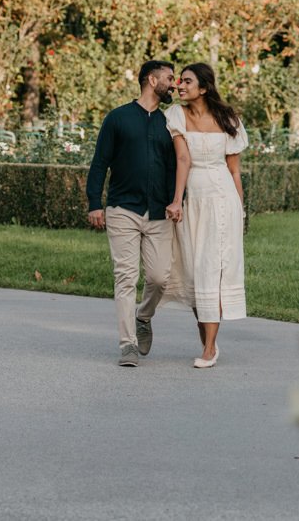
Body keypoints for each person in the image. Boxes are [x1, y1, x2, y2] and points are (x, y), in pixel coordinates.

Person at [86, 59, 178, 367]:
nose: (174, 84)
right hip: (122, 209)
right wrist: (94, 204)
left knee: (160, 277)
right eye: (169, 78)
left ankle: (144, 316)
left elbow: (177, 166)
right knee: (125, 276)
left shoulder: (170, 122)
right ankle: (127, 344)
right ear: (152, 81)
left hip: (160, 212)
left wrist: (179, 201)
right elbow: (100, 163)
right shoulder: (118, 118)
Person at [162, 62, 249, 368]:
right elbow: (183, 158)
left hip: (223, 200)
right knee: (195, 270)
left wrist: (240, 211)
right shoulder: (175, 115)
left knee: (212, 269)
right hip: (194, 199)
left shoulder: (229, 119)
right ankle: (207, 343)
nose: (179, 86)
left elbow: (235, 170)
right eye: (179, 81)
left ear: (204, 87)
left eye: (186, 81)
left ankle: (209, 349)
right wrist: (177, 200)